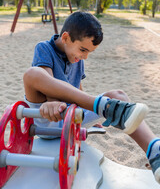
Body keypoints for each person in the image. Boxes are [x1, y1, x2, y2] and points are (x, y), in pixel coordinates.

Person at [23, 11, 160, 184]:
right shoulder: (44, 48)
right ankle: (99, 105)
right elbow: (47, 82)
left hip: (71, 117)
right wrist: (54, 103)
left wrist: (88, 114)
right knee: (32, 73)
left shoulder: (78, 59)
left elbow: (79, 93)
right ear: (65, 37)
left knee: (118, 96)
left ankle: (154, 149)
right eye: (83, 50)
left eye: (90, 52)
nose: (85, 56)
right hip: (46, 116)